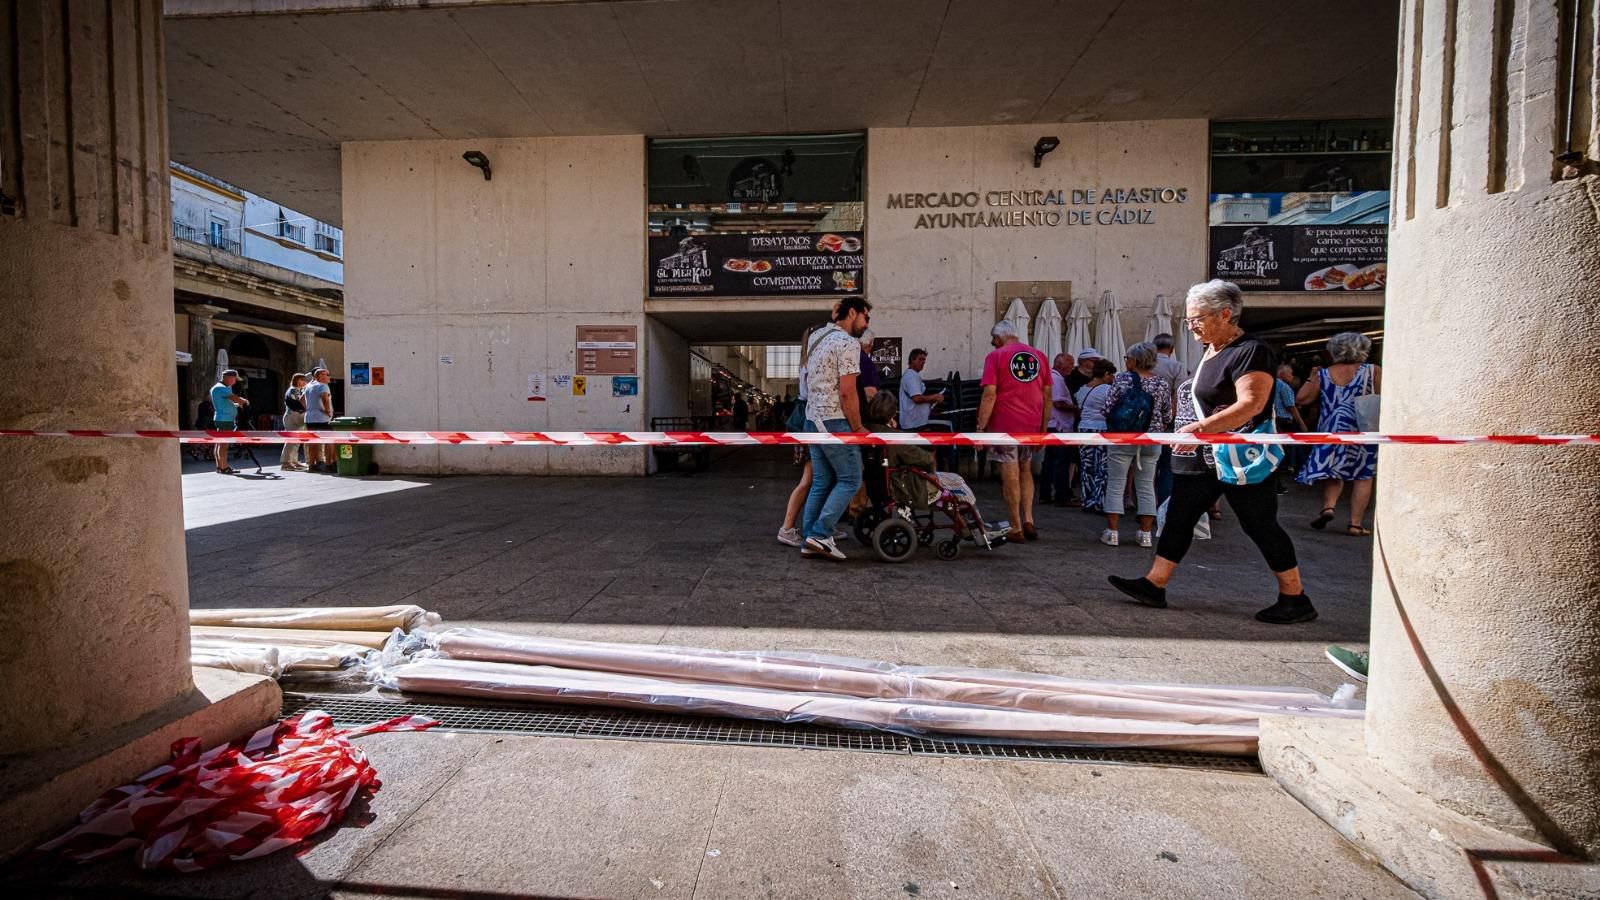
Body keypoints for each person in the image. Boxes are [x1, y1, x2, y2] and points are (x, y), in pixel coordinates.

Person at [1108, 279, 1315, 624]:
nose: (1191, 327)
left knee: (1259, 524)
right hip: (1205, 455)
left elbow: (1252, 403)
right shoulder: (1213, 350)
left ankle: (1295, 596)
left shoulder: (1251, 351)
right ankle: (1154, 583)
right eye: (1189, 320)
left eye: (1197, 319)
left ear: (1225, 314)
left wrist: (1198, 429)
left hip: (1238, 456)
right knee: (1179, 516)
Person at [799, 297, 872, 560]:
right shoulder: (848, 343)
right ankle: (820, 534)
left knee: (821, 481)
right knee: (851, 479)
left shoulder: (816, 337)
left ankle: (809, 539)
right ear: (852, 313)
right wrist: (858, 427)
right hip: (834, 421)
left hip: (812, 420)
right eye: (865, 317)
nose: (866, 324)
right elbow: (847, 392)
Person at [1298, 332, 1381, 535]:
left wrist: (1312, 376)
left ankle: (1329, 506)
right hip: (1362, 429)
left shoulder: (1324, 374)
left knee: (1333, 471)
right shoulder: (1372, 371)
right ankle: (1355, 524)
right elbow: (1383, 397)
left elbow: (1301, 399)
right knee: (1363, 475)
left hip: (1331, 429)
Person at [976, 320, 1050, 543]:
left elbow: (990, 395)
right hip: (1031, 425)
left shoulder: (996, 356)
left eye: (993, 340)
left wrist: (980, 429)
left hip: (1004, 426)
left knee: (1010, 474)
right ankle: (1029, 520)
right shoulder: (1039, 356)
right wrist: (1043, 429)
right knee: (1025, 470)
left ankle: (1016, 527)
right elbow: (1047, 395)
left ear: (998, 338)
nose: (992, 343)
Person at [1101, 342, 1174, 548]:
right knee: (1146, 485)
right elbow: (1167, 414)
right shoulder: (1161, 383)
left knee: (1116, 483)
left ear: (1133, 361)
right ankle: (1145, 534)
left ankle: (1112, 532)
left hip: (1122, 438)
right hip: (1151, 439)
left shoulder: (1121, 380)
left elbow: (1107, 408)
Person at [1073, 359, 1118, 514]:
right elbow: (1112, 408)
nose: (1113, 379)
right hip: (1101, 429)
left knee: (1087, 466)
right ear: (1106, 374)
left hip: (1083, 428)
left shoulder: (1082, 389)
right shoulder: (1106, 389)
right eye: (1111, 375)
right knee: (1102, 467)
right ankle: (1099, 501)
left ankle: (1087, 500)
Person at [1152, 333, 1187, 504]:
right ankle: (1163, 504)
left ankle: (1145, 505)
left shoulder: (1145, 365)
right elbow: (1179, 396)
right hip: (1168, 421)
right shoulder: (1177, 367)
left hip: (1144, 421)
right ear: (1172, 349)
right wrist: (1169, 417)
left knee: (1146, 466)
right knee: (1166, 465)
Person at [1040, 353, 1078, 506]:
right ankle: (1061, 496)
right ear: (1061, 365)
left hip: (1053, 425)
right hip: (1058, 426)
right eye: (1071, 364)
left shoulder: (1054, 377)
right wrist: (1077, 408)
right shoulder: (1056, 379)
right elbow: (1058, 403)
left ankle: (1045, 494)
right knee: (1060, 462)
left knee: (1050, 461)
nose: (1073, 367)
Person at [1272, 363, 1308, 494]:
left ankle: (1275, 484)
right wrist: (1302, 423)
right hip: (1283, 422)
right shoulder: (1284, 386)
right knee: (1282, 453)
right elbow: (1290, 406)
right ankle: (1277, 485)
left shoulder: (1271, 383)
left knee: (1274, 452)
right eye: (1290, 373)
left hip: (1273, 421)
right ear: (1281, 373)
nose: (1292, 376)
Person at [209, 369, 248, 475]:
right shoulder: (221, 388)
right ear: (229, 378)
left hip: (222, 418)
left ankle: (219, 466)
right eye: (234, 379)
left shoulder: (219, 387)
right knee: (224, 445)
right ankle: (224, 467)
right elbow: (234, 398)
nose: (235, 382)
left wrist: (235, 405)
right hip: (225, 419)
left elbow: (225, 402)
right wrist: (243, 401)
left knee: (219, 443)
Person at [898, 348, 944, 431]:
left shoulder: (912, 375)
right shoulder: (911, 376)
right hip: (914, 424)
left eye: (924, 360)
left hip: (915, 423)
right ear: (912, 359)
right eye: (920, 359)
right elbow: (917, 398)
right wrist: (935, 397)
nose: (923, 362)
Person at [303, 367, 335, 472]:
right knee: (329, 441)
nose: (329, 376)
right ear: (321, 376)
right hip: (322, 418)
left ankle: (312, 465)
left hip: (309, 418)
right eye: (327, 374)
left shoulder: (308, 386)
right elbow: (324, 398)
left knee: (313, 442)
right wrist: (328, 411)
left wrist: (309, 408)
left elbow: (301, 399)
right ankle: (329, 464)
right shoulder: (323, 385)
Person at [280, 373, 309, 471]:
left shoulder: (297, 390)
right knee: (291, 441)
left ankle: (293, 461)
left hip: (297, 417)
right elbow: (299, 402)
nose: (305, 382)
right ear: (298, 380)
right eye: (303, 380)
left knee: (296, 441)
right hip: (292, 417)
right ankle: (285, 462)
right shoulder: (293, 390)